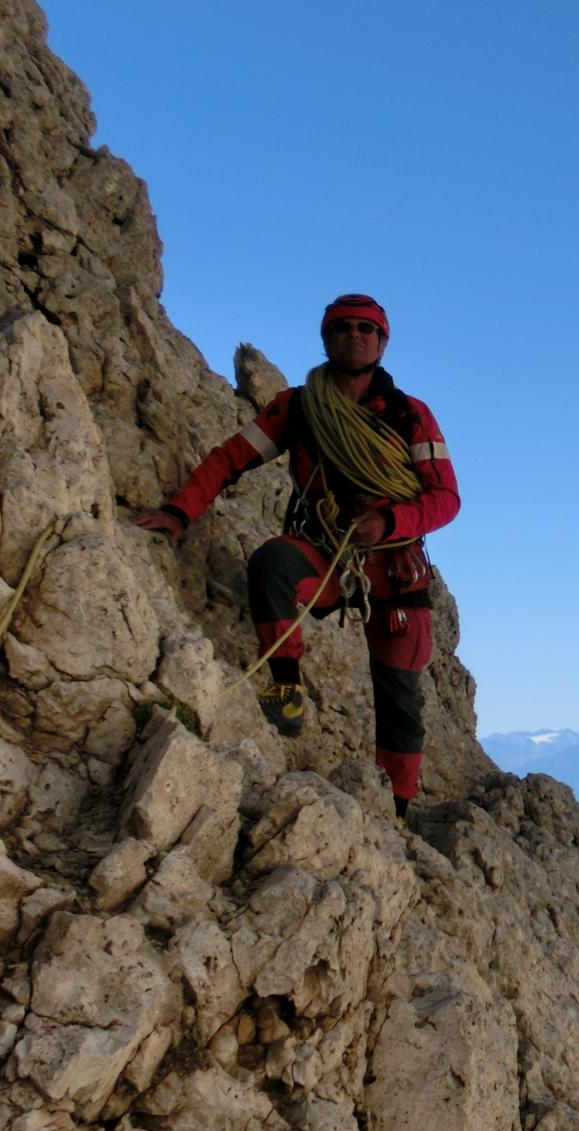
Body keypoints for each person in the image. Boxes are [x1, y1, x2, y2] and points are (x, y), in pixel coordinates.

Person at [136, 294, 460, 824]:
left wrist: (390, 522)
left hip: (394, 567)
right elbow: (230, 459)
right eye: (343, 327)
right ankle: (285, 684)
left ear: (382, 342)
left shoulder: (410, 416)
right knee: (274, 564)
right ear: (326, 339)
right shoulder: (300, 408)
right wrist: (179, 511)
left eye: (366, 329)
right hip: (326, 551)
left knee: (400, 697)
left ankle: (396, 811)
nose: (355, 335)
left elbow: (445, 498)